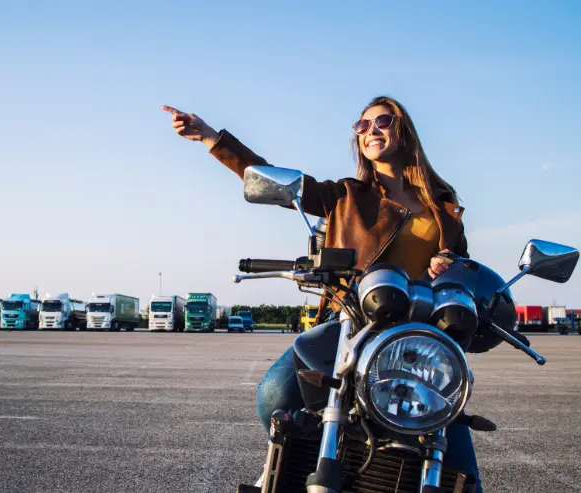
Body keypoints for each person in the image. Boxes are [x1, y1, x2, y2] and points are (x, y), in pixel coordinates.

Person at [163, 96, 481, 491]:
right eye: (362, 127)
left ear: (404, 130)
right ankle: (289, 460)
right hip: (350, 319)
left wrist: (450, 264)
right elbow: (276, 179)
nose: (370, 131)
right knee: (275, 392)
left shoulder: (442, 205)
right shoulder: (345, 195)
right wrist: (211, 138)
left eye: (382, 122)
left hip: (415, 332)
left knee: (452, 438)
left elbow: (464, 267)